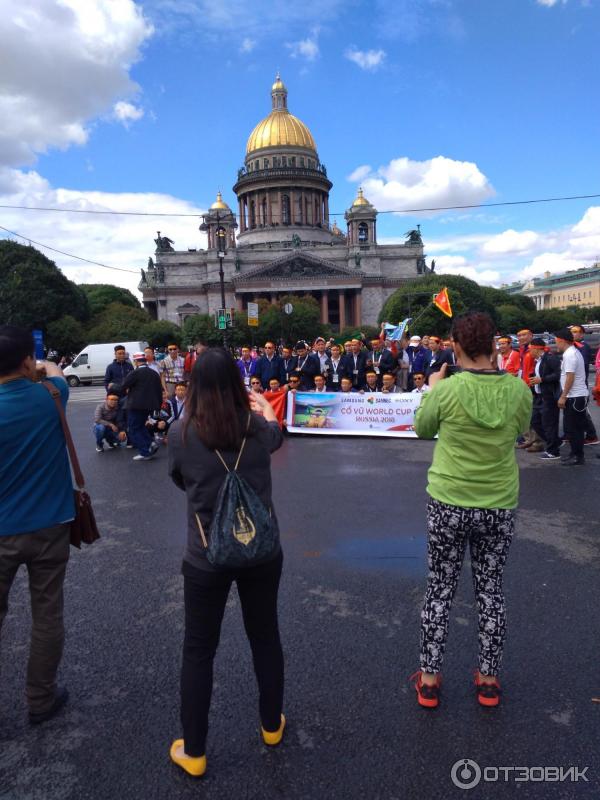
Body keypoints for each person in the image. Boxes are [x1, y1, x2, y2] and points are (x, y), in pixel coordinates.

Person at [167, 348, 285, 777]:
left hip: (205, 556)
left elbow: (180, 480)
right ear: (238, 385)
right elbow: (277, 436)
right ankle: (271, 726)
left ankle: (194, 750)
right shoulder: (256, 427)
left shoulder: (181, 433)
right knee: (265, 637)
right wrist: (263, 409)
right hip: (261, 550)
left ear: (193, 384)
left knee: (199, 650)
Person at [412, 312, 532, 709]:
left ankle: (429, 680)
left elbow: (422, 429)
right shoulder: (518, 390)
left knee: (440, 590)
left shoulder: (446, 390)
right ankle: (489, 680)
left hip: (449, 499)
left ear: (455, 346)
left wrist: (432, 389)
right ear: (495, 345)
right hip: (497, 502)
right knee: (491, 590)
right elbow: (519, 429)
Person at [0, 326, 74, 724]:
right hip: (50, 525)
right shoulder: (51, 394)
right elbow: (56, 371)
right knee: (47, 615)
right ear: (27, 361)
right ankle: (40, 699)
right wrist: (39, 363)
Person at [555, 328, 589, 466]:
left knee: (575, 429)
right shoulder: (571, 352)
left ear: (562, 341)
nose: (556, 344)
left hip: (575, 396)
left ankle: (578, 457)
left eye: (556, 341)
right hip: (575, 396)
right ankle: (574, 453)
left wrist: (563, 396)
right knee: (571, 428)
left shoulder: (570, 355)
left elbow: (570, 377)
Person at [122, 352, 163, 461]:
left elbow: (124, 385)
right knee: (140, 426)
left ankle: (145, 452)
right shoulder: (154, 373)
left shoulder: (135, 373)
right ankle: (150, 443)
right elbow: (159, 391)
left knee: (134, 428)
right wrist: (158, 406)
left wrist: (112, 386)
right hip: (150, 405)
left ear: (136, 361)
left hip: (136, 405)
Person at [528, 338, 562, 461]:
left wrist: (542, 379)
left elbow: (558, 374)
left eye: (530, 349)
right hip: (539, 396)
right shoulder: (538, 360)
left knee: (549, 424)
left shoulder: (550, 358)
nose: (529, 352)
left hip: (549, 397)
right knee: (535, 421)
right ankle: (555, 441)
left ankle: (553, 451)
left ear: (536, 348)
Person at [570, 325, 599, 445]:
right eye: (571, 332)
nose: (573, 334)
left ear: (582, 334)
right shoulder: (574, 346)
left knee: (581, 411)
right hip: (574, 383)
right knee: (575, 411)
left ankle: (591, 435)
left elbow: (581, 365)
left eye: (576, 332)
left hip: (580, 383)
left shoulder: (584, 347)